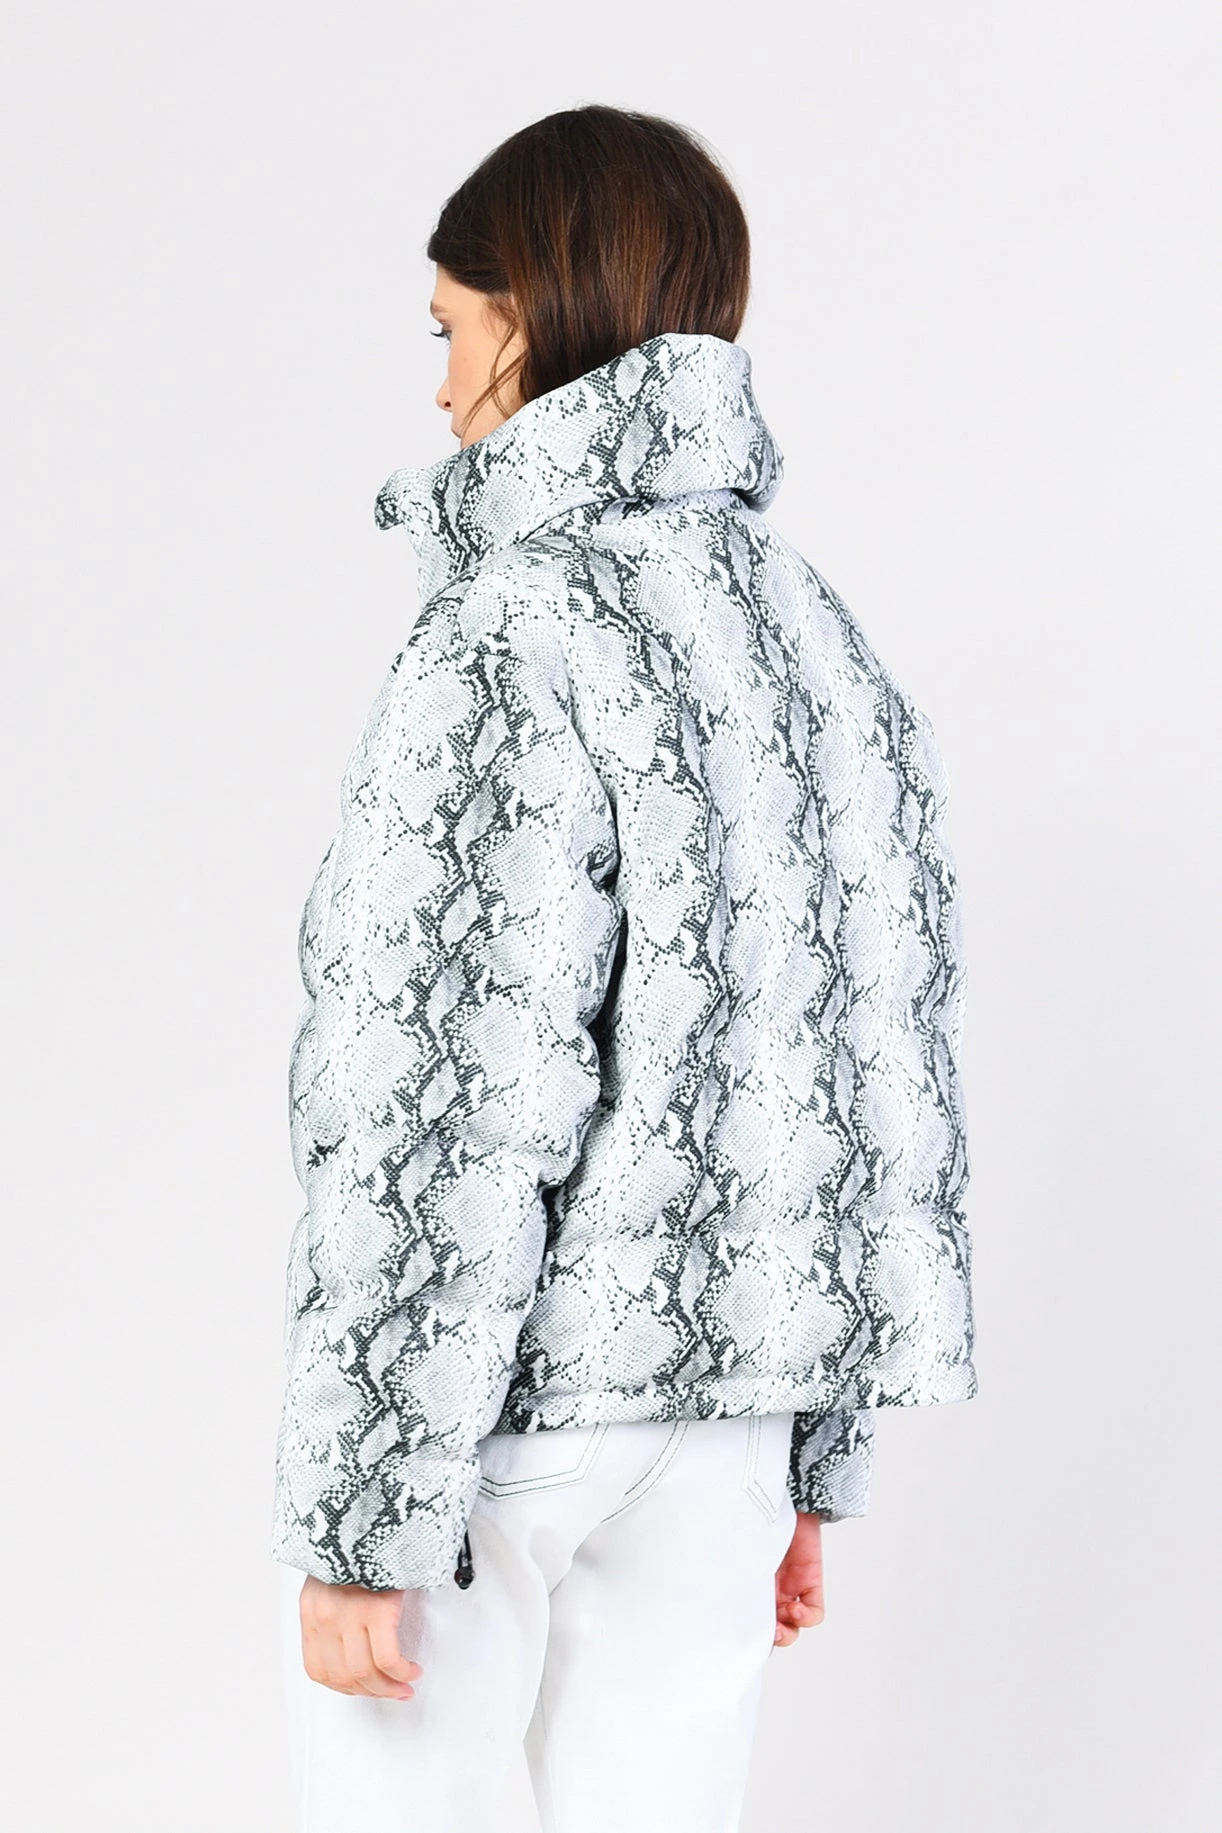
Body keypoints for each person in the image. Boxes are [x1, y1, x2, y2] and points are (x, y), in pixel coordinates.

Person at [270, 102, 977, 1833]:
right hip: (726, 1427)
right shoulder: (811, 634)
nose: (445, 391)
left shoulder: (507, 626)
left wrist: (363, 1514)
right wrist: (805, 1459)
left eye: (450, 329)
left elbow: (441, 1083)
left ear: (530, 313)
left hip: (503, 1419)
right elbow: (864, 1065)